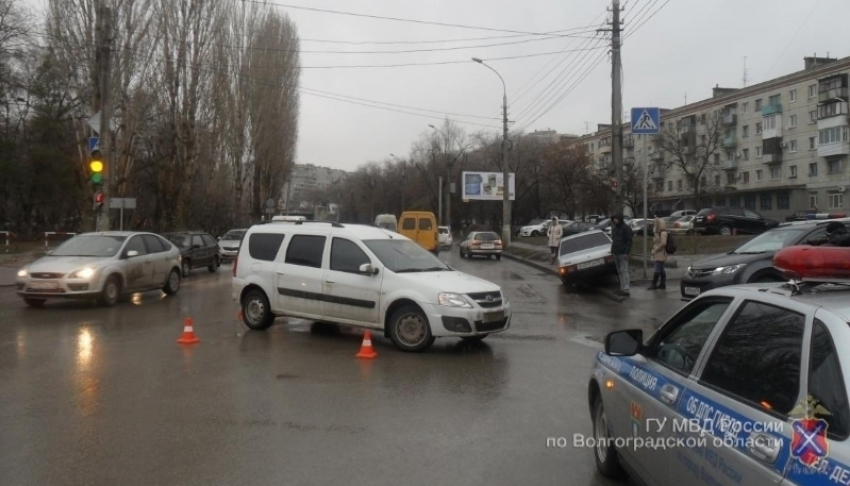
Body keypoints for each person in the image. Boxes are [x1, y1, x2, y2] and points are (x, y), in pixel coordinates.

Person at [610, 214, 633, 297]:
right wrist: (612, 250)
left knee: (624, 270)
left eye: (616, 219)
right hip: (616, 252)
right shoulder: (615, 228)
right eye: (614, 219)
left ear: (620, 219)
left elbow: (629, 241)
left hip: (623, 253)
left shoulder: (626, 228)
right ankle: (622, 287)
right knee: (619, 271)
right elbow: (614, 240)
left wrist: (627, 252)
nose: (615, 220)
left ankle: (626, 288)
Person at [648, 218, 668, 290]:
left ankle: (654, 283)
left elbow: (663, 243)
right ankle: (662, 284)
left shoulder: (663, 233)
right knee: (661, 269)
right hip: (658, 252)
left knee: (657, 268)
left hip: (660, 252)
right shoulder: (658, 232)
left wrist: (655, 250)